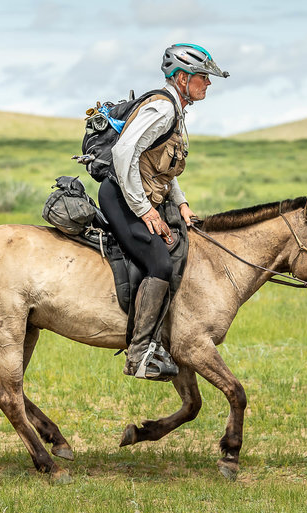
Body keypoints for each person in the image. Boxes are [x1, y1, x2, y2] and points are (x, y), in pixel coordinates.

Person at [97, 43, 229, 380]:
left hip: (143, 195)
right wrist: (144, 210)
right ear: (183, 78)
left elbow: (160, 169)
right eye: (203, 77)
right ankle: (140, 353)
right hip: (122, 197)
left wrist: (180, 202)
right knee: (159, 262)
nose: (208, 83)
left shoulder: (176, 110)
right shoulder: (163, 110)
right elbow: (125, 153)